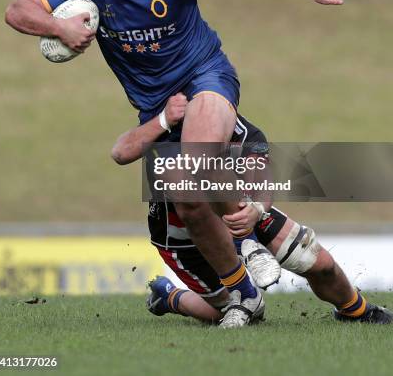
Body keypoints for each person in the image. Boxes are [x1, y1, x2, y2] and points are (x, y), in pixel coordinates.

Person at [5, 0, 364, 327]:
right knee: (191, 196)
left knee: (199, 159)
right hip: (159, 112)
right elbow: (17, 10)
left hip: (206, 74)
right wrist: (59, 28)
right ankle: (225, 292)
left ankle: (252, 247)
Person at [111, 93, 393, 326]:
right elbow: (123, 153)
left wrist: (257, 209)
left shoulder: (242, 130)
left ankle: (356, 311)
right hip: (182, 236)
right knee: (229, 311)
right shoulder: (164, 129)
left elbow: (261, 177)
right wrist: (163, 119)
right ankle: (170, 296)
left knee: (318, 263)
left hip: (237, 211)